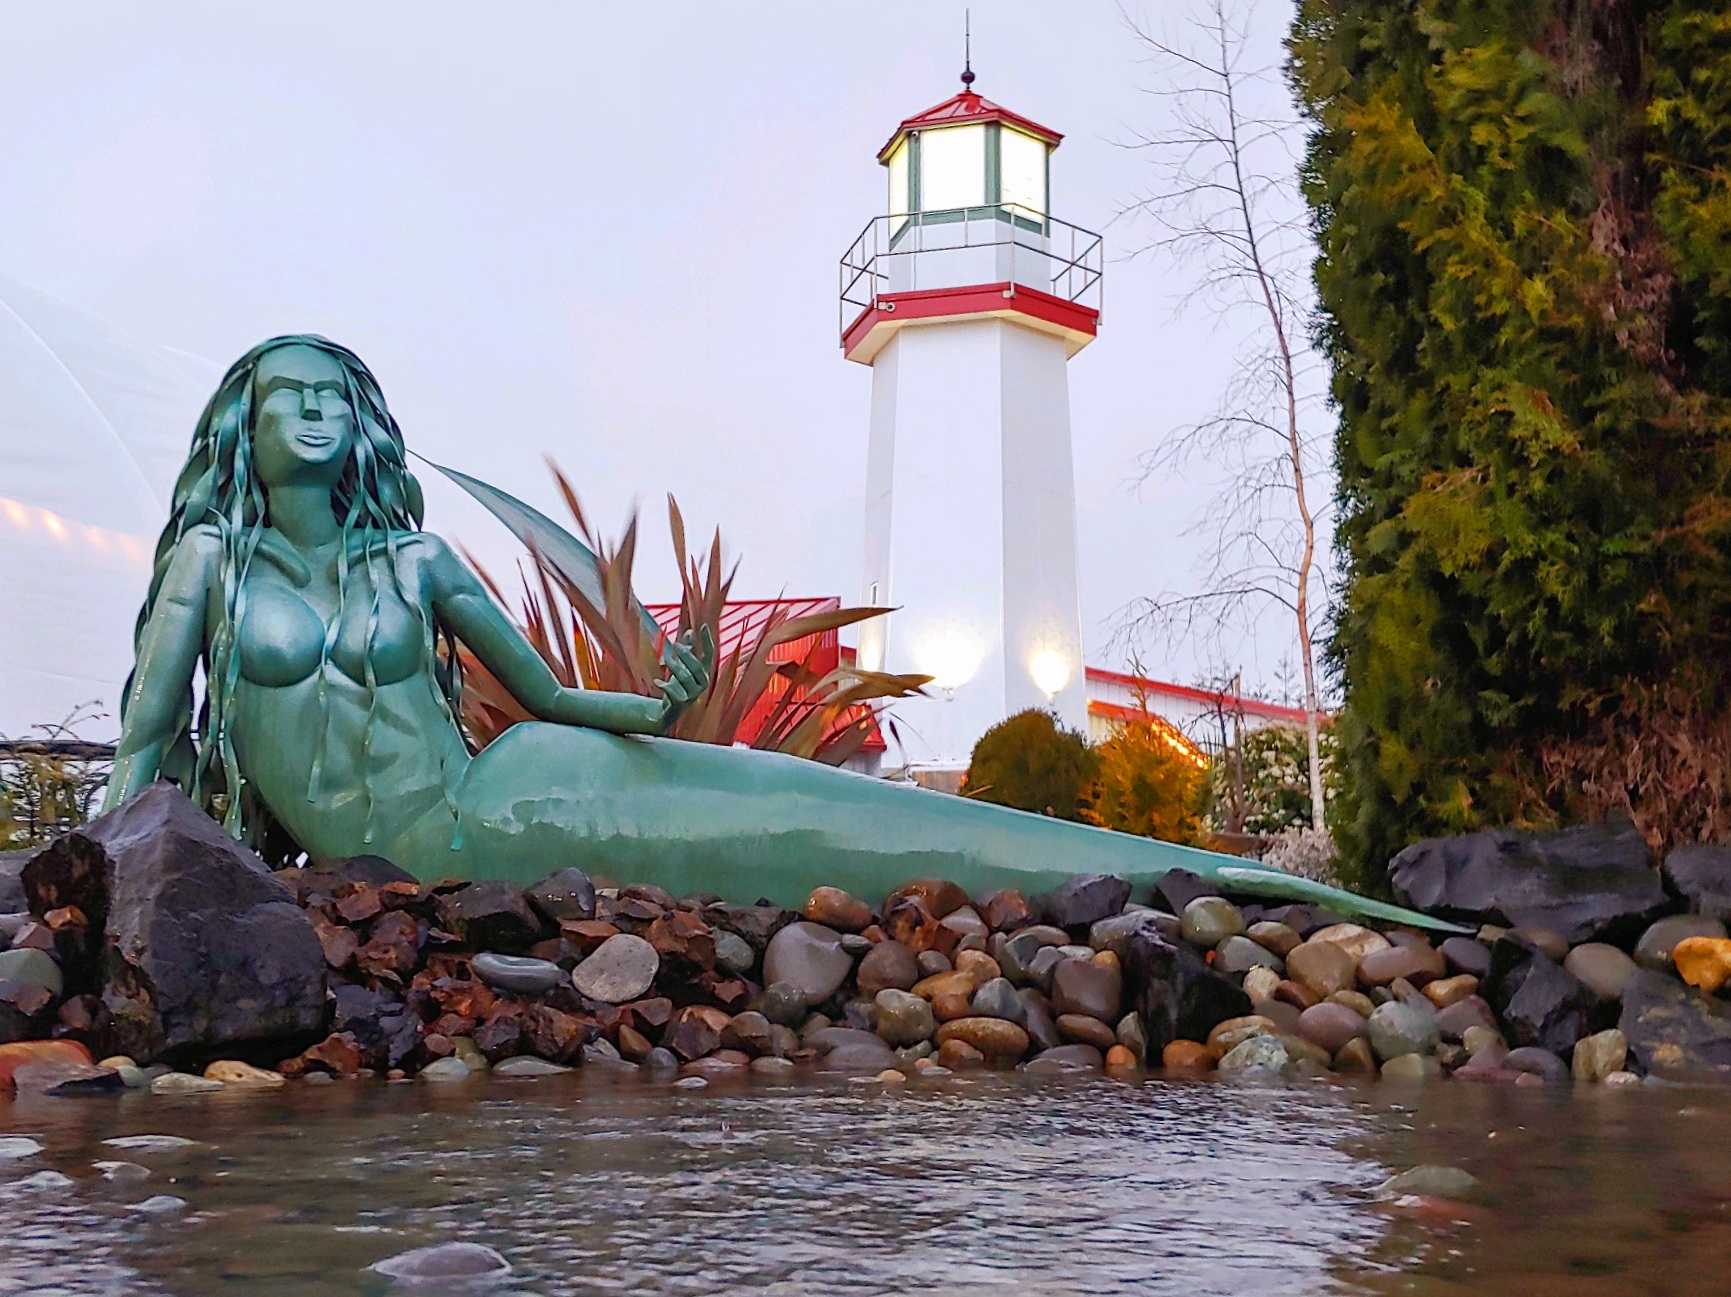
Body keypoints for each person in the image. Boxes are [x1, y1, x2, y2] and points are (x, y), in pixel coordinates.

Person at [106, 335, 1447, 928]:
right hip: (411, 850)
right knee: (767, 809)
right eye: (291, 395)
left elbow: (547, 698)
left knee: (766, 798)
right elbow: (146, 740)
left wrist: (659, 704)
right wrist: (101, 871)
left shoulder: (418, 559)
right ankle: (1240, 887)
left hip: (480, 809)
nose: (320, 411)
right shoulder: (209, 568)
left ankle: (1234, 886)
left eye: (338, 393)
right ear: (246, 423)